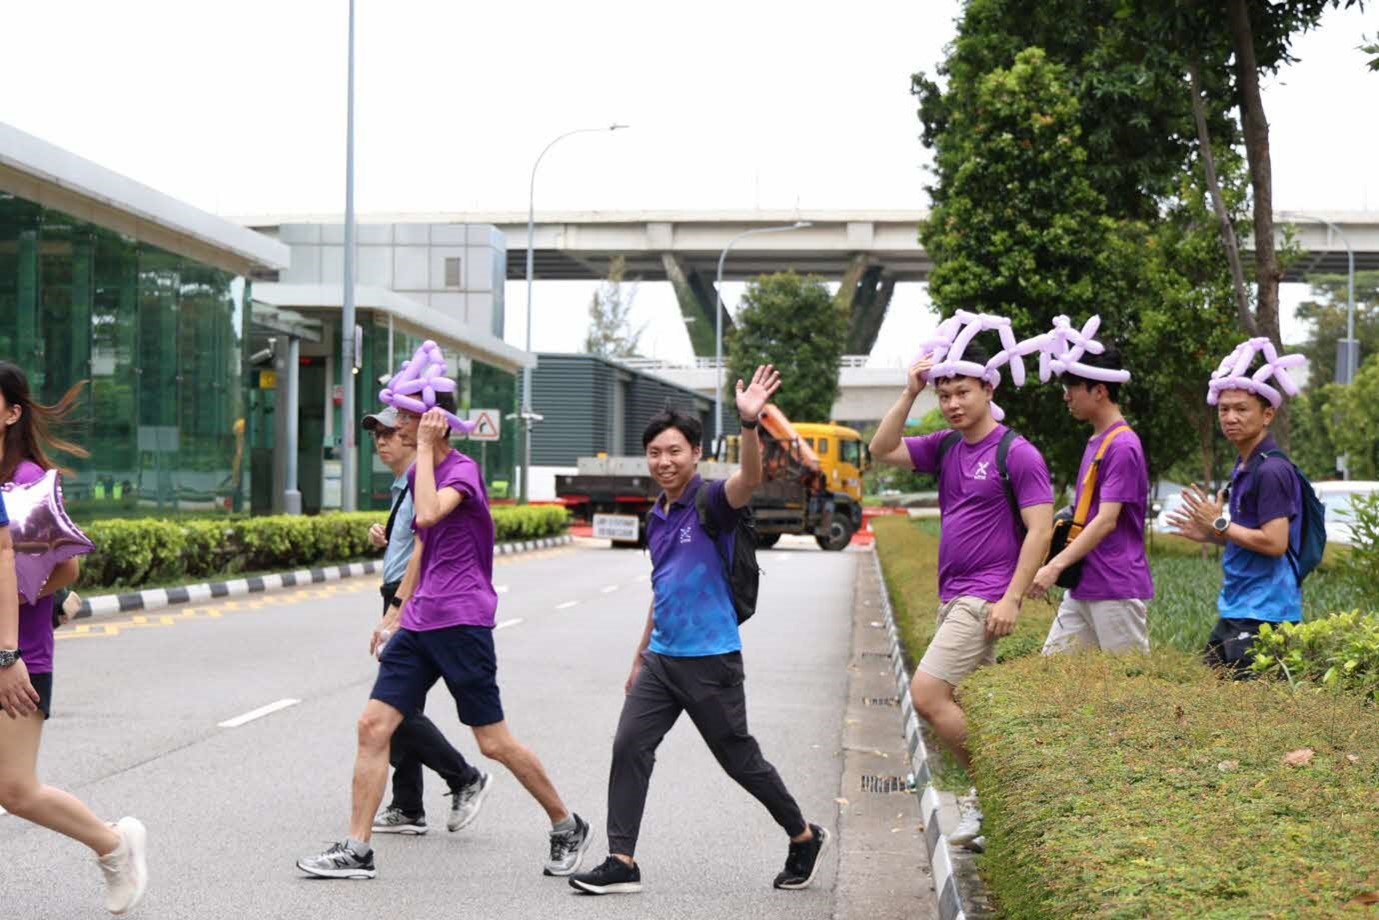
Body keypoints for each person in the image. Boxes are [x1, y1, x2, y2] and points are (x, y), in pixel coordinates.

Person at [298, 391, 589, 880]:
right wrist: (394, 611)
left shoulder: (461, 472)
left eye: (409, 417)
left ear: (437, 422)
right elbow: (421, 547)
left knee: (493, 743)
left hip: (462, 620)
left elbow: (429, 514)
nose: (399, 425)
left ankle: (567, 823)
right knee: (373, 725)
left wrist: (429, 451)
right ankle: (357, 850)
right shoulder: (421, 472)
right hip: (420, 619)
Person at [569, 366, 832, 896]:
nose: (664, 462)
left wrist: (750, 423)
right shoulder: (658, 515)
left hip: (711, 660)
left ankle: (803, 835)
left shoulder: (712, 500)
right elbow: (662, 588)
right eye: (655, 453)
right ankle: (622, 859)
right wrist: (640, 655)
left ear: (694, 453)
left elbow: (750, 480)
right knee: (629, 746)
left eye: (675, 451)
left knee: (740, 761)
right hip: (663, 660)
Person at [869, 346, 1053, 848]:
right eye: (944, 394)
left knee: (928, 695)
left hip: (985, 596)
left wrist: (1012, 597)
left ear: (989, 390)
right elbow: (882, 449)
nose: (952, 404)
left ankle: (998, 791)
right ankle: (998, 797)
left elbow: (1039, 530)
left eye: (962, 393)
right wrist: (910, 392)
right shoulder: (947, 447)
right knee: (975, 704)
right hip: (953, 596)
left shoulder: (1016, 452)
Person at [0, 362, 147, 915]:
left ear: (12, 413)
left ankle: (112, 846)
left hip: (17, 656)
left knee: (15, 791)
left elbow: (64, 574)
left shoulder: (27, 484)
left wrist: (7, 636)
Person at [361, 405, 491, 836]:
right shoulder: (405, 483)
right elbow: (411, 538)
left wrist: (397, 608)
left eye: (391, 429)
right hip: (403, 594)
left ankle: (461, 776)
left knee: (395, 709)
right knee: (393, 706)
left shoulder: (434, 476)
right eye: (378, 433)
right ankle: (409, 803)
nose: (383, 439)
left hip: (418, 598)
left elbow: (424, 545)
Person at [1167, 387, 1301, 673]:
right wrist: (1211, 535)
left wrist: (1220, 525)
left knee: (1249, 710)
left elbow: (1275, 543)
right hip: (1237, 609)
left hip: (1266, 614)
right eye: (1223, 410)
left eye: (1241, 409)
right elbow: (1249, 536)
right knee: (1214, 697)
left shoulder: (1272, 470)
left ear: (1267, 415)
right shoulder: (1244, 465)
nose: (1230, 417)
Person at [1029, 347, 1153, 654]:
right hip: (1085, 581)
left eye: (1071, 387)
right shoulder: (1099, 440)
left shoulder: (1122, 445)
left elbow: (1107, 520)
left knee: (1131, 685)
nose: (1066, 396)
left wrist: (1054, 566)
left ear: (1099, 391)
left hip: (1114, 585)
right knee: (1052, 676)